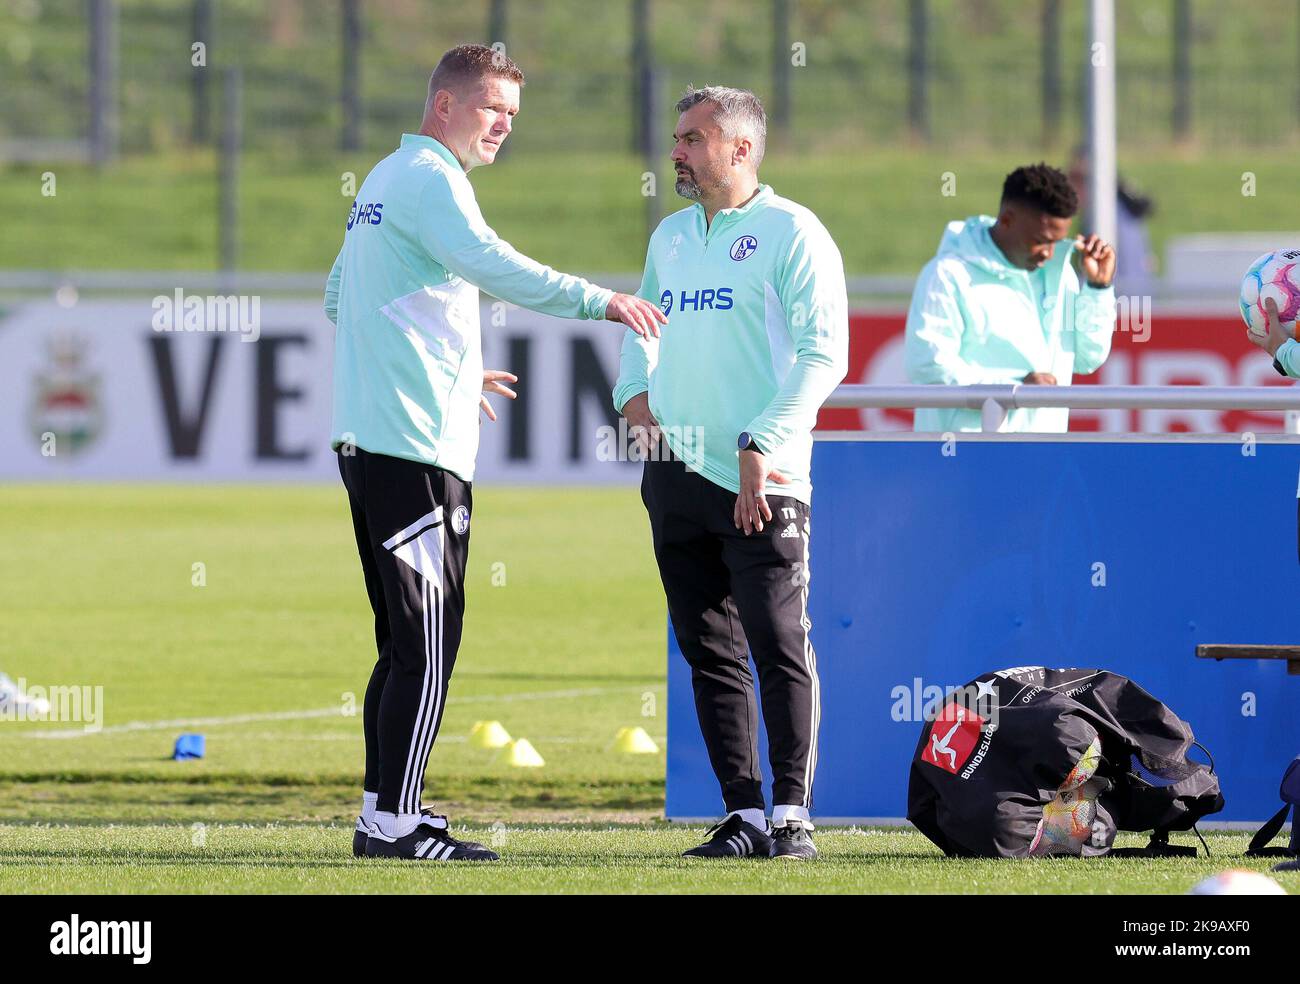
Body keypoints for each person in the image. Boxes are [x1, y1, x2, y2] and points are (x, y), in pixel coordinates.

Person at [326, 44, 666, 862]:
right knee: (428, 643)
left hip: (378, 441)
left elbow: (342, 293)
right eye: (491, 108)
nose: (504, 125)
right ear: (444, 105)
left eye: (512, 113)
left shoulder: (381, 179)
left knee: (405, 640)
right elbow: (491, 265)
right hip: (412, 450)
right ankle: (395, 827)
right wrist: (603, 300)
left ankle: (386, 812)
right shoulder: (434, 182)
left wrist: (447, 367)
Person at [614, 86, 848, 860]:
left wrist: (762, 441)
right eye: (677, 137)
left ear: (741, 148)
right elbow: (640, 329)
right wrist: (635, 398)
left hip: (763, 479)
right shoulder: (672, 238)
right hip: (674, 474)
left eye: (692, 139)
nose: (676, 151)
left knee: (779, 644)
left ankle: (792, 814)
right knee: (708, 650)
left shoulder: (794, 234)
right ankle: (744, 814)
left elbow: (824, 356)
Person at [905, 162, 1117, 433]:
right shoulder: (947, 275)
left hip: (1042, 459)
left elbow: (1088, 359)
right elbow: (927, 368)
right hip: (963, 462)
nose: (1049, 253)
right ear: (1006, 220)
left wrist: (1098, 288)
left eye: (1056, 242)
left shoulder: (1060, 274)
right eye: (1041, 240)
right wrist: (1013, 390)